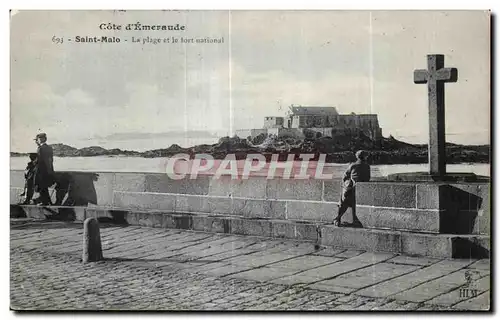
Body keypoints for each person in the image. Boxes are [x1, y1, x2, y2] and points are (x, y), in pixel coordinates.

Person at [333, 150, 371, 227]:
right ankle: (354, 220)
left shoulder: (353, 165)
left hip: (351, 188)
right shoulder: (367, 166)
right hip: (361, 188)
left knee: (343, 203)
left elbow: (344, 176)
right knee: (354, 205)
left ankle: (338, 219)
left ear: (357, 157)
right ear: (365, 157)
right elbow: (368, 178)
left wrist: (347, 183)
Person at [33, 133, 55, 206]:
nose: (36, 141)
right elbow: (51, 160)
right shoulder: (49, 148)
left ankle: (45, 202)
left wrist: (33, 162)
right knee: (44, 187)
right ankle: (47, 202)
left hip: (41, 171)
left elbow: (39, 160)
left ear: (41, 139)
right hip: (48, 171)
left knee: (41, 187)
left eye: (37, 139)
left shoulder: (40, 148)